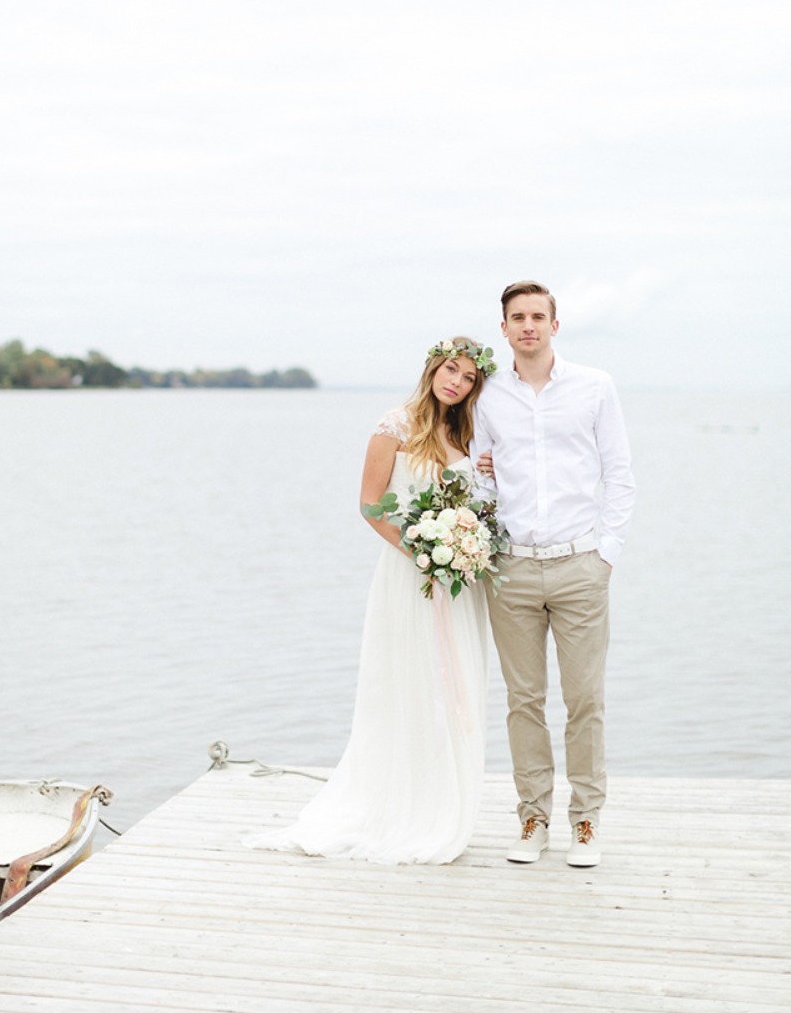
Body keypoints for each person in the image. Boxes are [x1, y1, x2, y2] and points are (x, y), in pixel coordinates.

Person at [246, 337, 496, 864]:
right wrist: (424, 550)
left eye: (469, 378)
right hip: (412, 574)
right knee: (408, 685)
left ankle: (444, 800)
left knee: (456, 688)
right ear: (433, 368)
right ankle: (400, 806)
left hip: (457, 584)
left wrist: (464, 542)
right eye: (451, 370)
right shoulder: (395, 425)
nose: (457, 382)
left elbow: (474, 501)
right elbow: (369, 506)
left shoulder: (465, 432)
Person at [472, 280, 636, 868]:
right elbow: (482, 480)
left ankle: (586, 821)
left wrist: (606, 553)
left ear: (555, 325)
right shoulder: (487, 396)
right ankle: (532, 818)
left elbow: (619, 474)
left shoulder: (595, 387)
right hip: (511, 569)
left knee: (585, 698)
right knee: (523, 700)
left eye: (538, 316)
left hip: (580, 567)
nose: (528, 326)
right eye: (517, 317)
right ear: (504, 328)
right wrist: (479, 475)